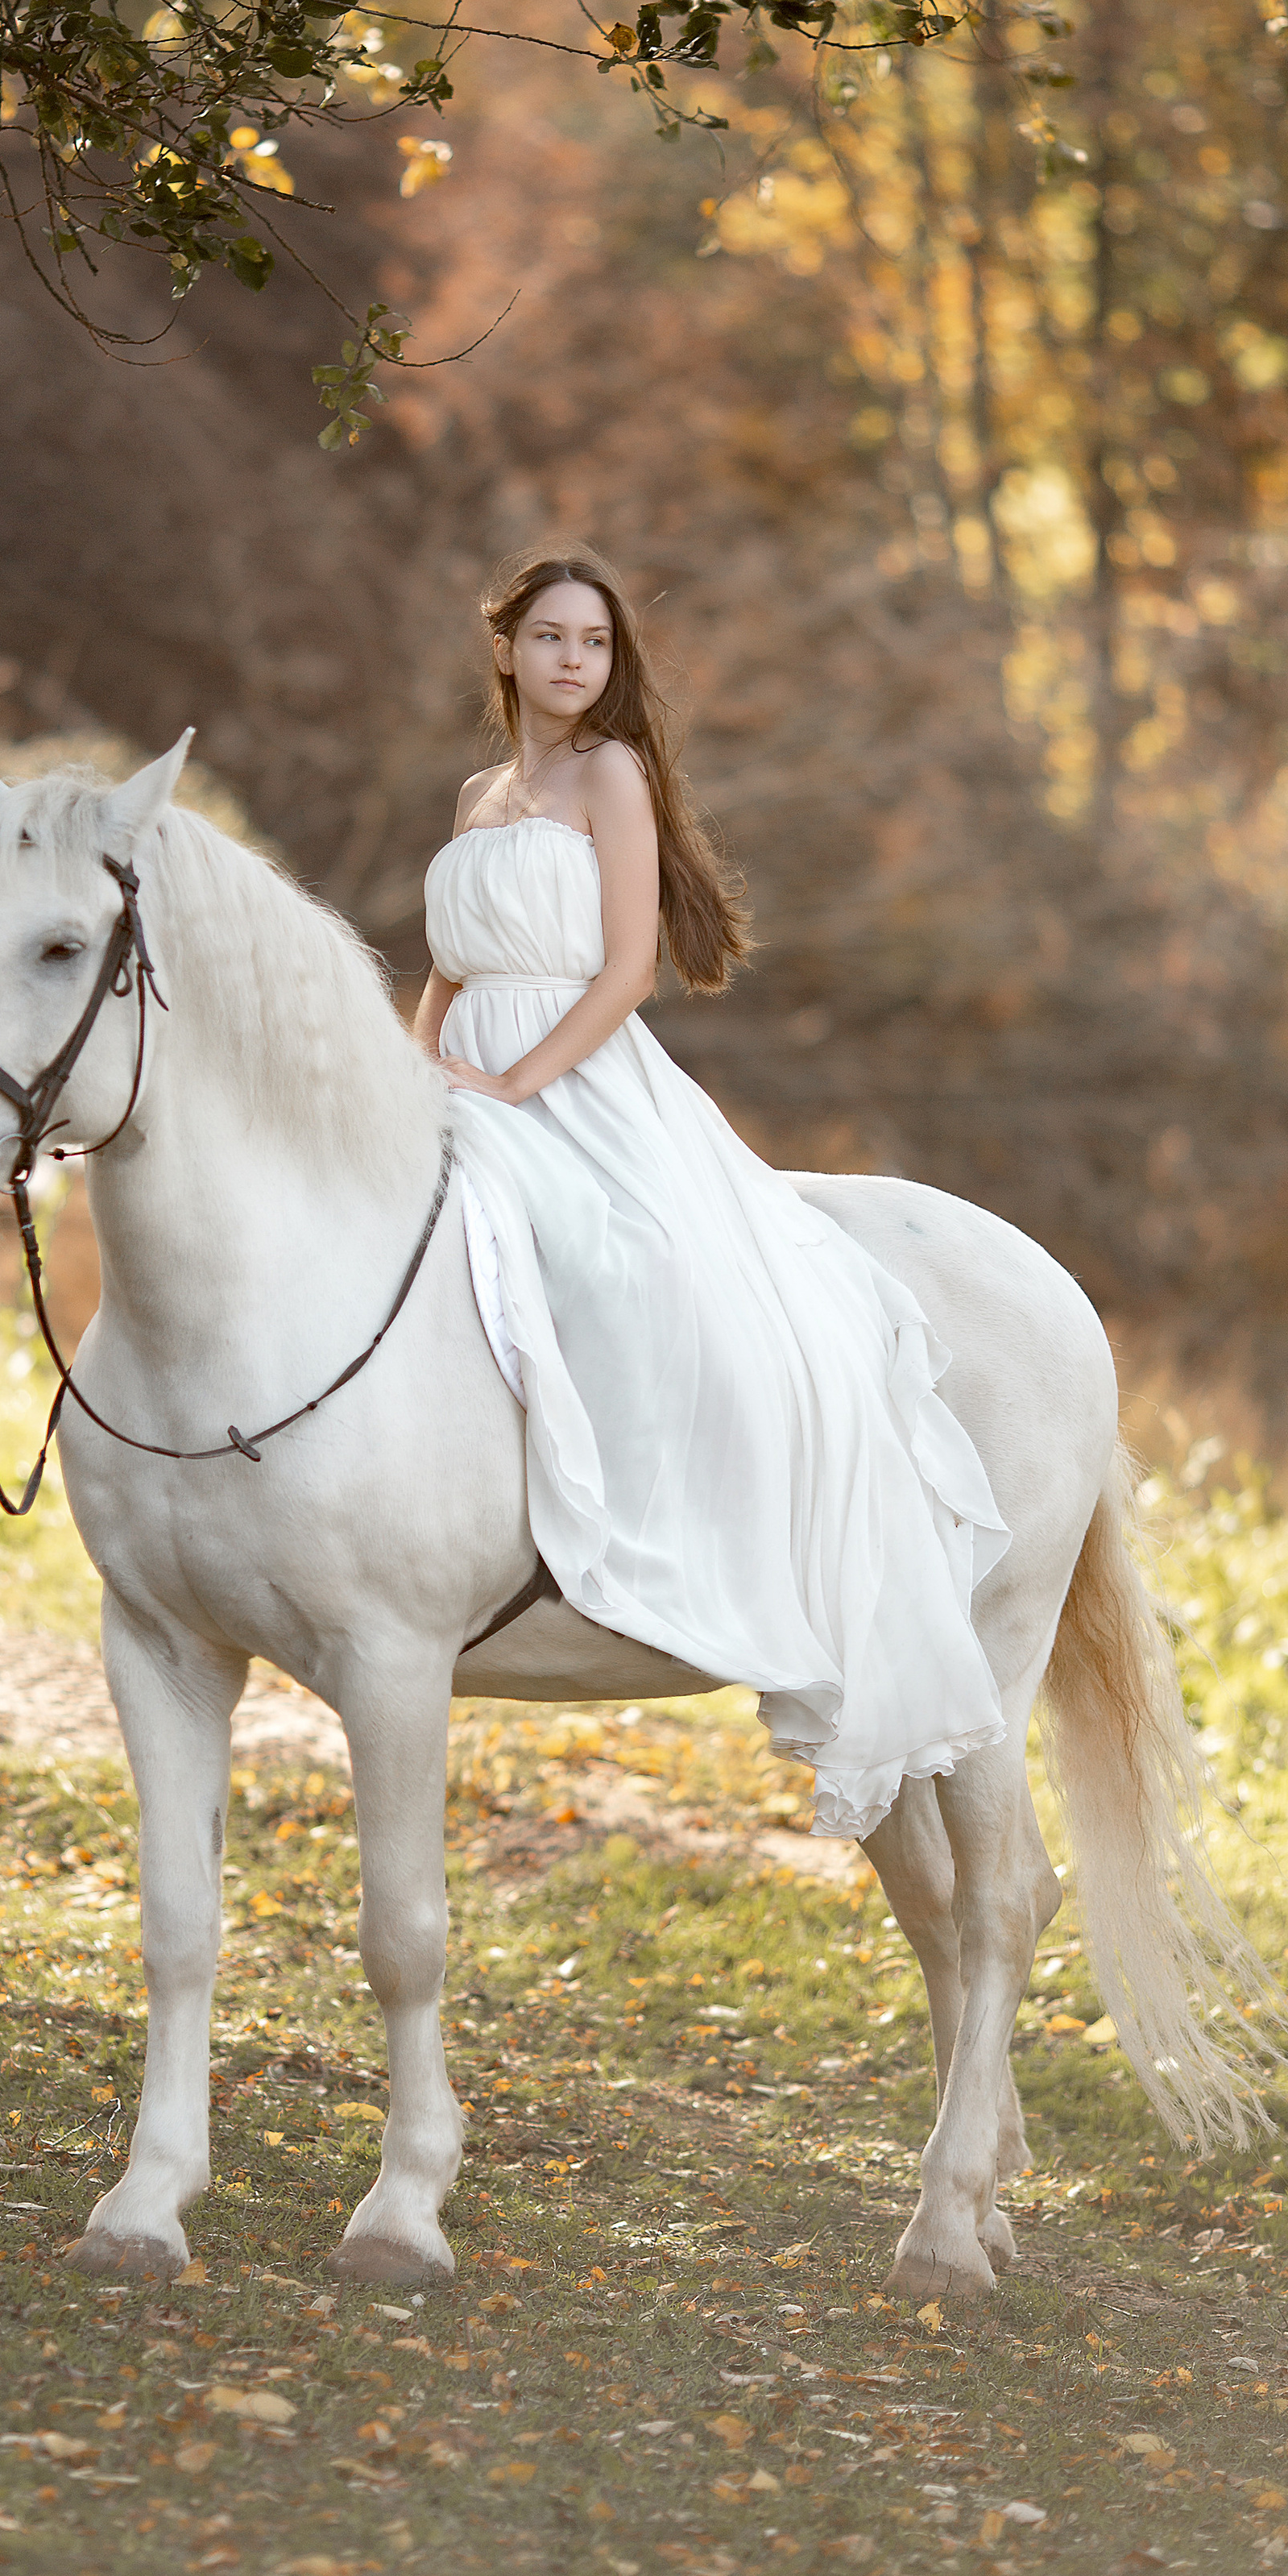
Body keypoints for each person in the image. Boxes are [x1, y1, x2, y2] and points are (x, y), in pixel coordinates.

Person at [413, 546, 1010, 1840]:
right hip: (466, 1070)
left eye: (599, 644)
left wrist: (516, 1087)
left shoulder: (609, 776)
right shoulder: (478, 794)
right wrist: (415, 1075)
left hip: (578, 1074)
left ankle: (654, 1541)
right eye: (554, 637)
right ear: (506, 648)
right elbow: (450, 967)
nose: (577, 660)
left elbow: (628, 967)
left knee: (623, 1265)